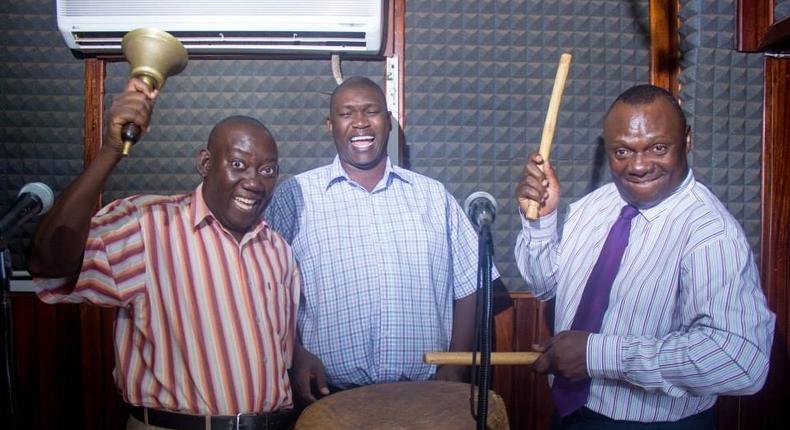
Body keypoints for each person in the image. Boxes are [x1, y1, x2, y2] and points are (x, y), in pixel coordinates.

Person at [27, 78, 301, 430]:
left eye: (267, 170)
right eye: (238, 164)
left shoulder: (276, 249)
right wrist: (112, 148)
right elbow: (47, 263)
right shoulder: (148, 225)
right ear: (205, 162)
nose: (254, 181)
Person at [515, 84, 775, 429]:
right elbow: (546, 285)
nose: (638, 166)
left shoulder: (710, 233)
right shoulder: (594, 206)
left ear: (687, 140)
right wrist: (541, 222)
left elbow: (741, 362)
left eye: (657, 148)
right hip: (571, 414)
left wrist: (598, 355)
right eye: (622, 152)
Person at [265, 76, 495, 404]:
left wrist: (455, 363)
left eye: (371, 111)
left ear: (387, 122)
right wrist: (295, 353)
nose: (360, 122)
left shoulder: (432, 195)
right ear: (330, 125)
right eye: (347, 114)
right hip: (329, 398)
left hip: (427, 395)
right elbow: (266, 288)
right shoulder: (294, 196)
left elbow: (471, 284)